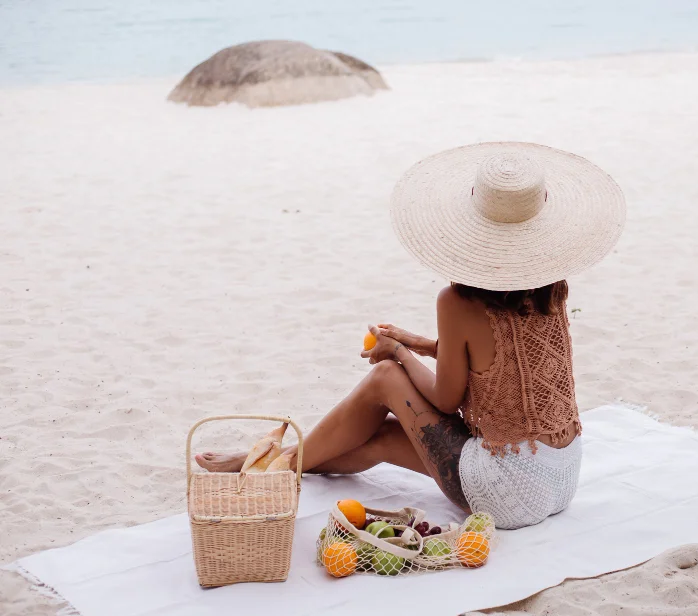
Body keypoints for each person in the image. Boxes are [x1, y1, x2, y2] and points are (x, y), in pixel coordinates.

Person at [196, 142, 625, 529]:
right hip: (562, 475)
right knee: (379, 437)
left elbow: (445, 399)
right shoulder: (551, 287)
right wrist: (416, 342)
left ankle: (267, 463)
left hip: (507, 493)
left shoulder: (456, 302)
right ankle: (275, 465)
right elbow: (496, 367)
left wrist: (398, 352)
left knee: (384, 377)